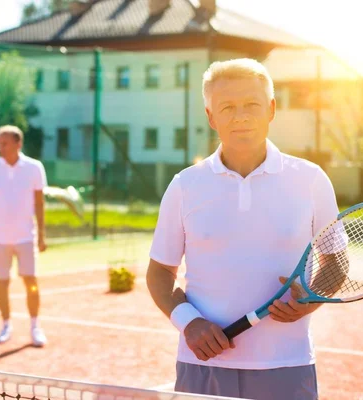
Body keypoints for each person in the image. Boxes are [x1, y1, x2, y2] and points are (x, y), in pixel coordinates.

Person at [146, 58, 340, 399]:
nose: (241, 116)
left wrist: (310, 299)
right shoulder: (184, 185)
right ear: (211, 117)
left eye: (252, 104)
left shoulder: (311, 179)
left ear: (271, 109)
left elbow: (335, 263)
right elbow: (160, 272)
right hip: (202, 367)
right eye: (227, 107)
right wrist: (189, 323)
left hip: (287, 366)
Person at [0, 125, 48, 347]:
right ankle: (6, 325)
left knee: (31, 281)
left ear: (18, 143)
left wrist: (42, 235)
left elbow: (39, 203)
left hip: (26, 237)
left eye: (4, 143)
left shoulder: (35, 168)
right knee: (2, 284)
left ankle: (35, 326)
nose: (0, 147)